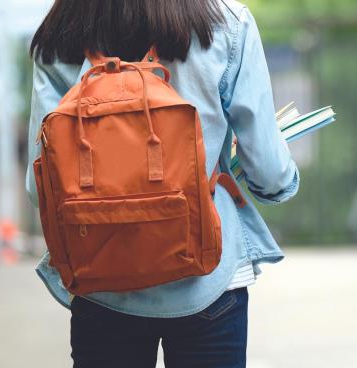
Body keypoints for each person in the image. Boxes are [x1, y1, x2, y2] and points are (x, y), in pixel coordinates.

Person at [26, 0, 300, 367]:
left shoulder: (62, 29)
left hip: (99, 280)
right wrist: (279, 184)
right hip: (208, 280)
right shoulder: (226, 22)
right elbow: (269, 171)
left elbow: (38, 186)